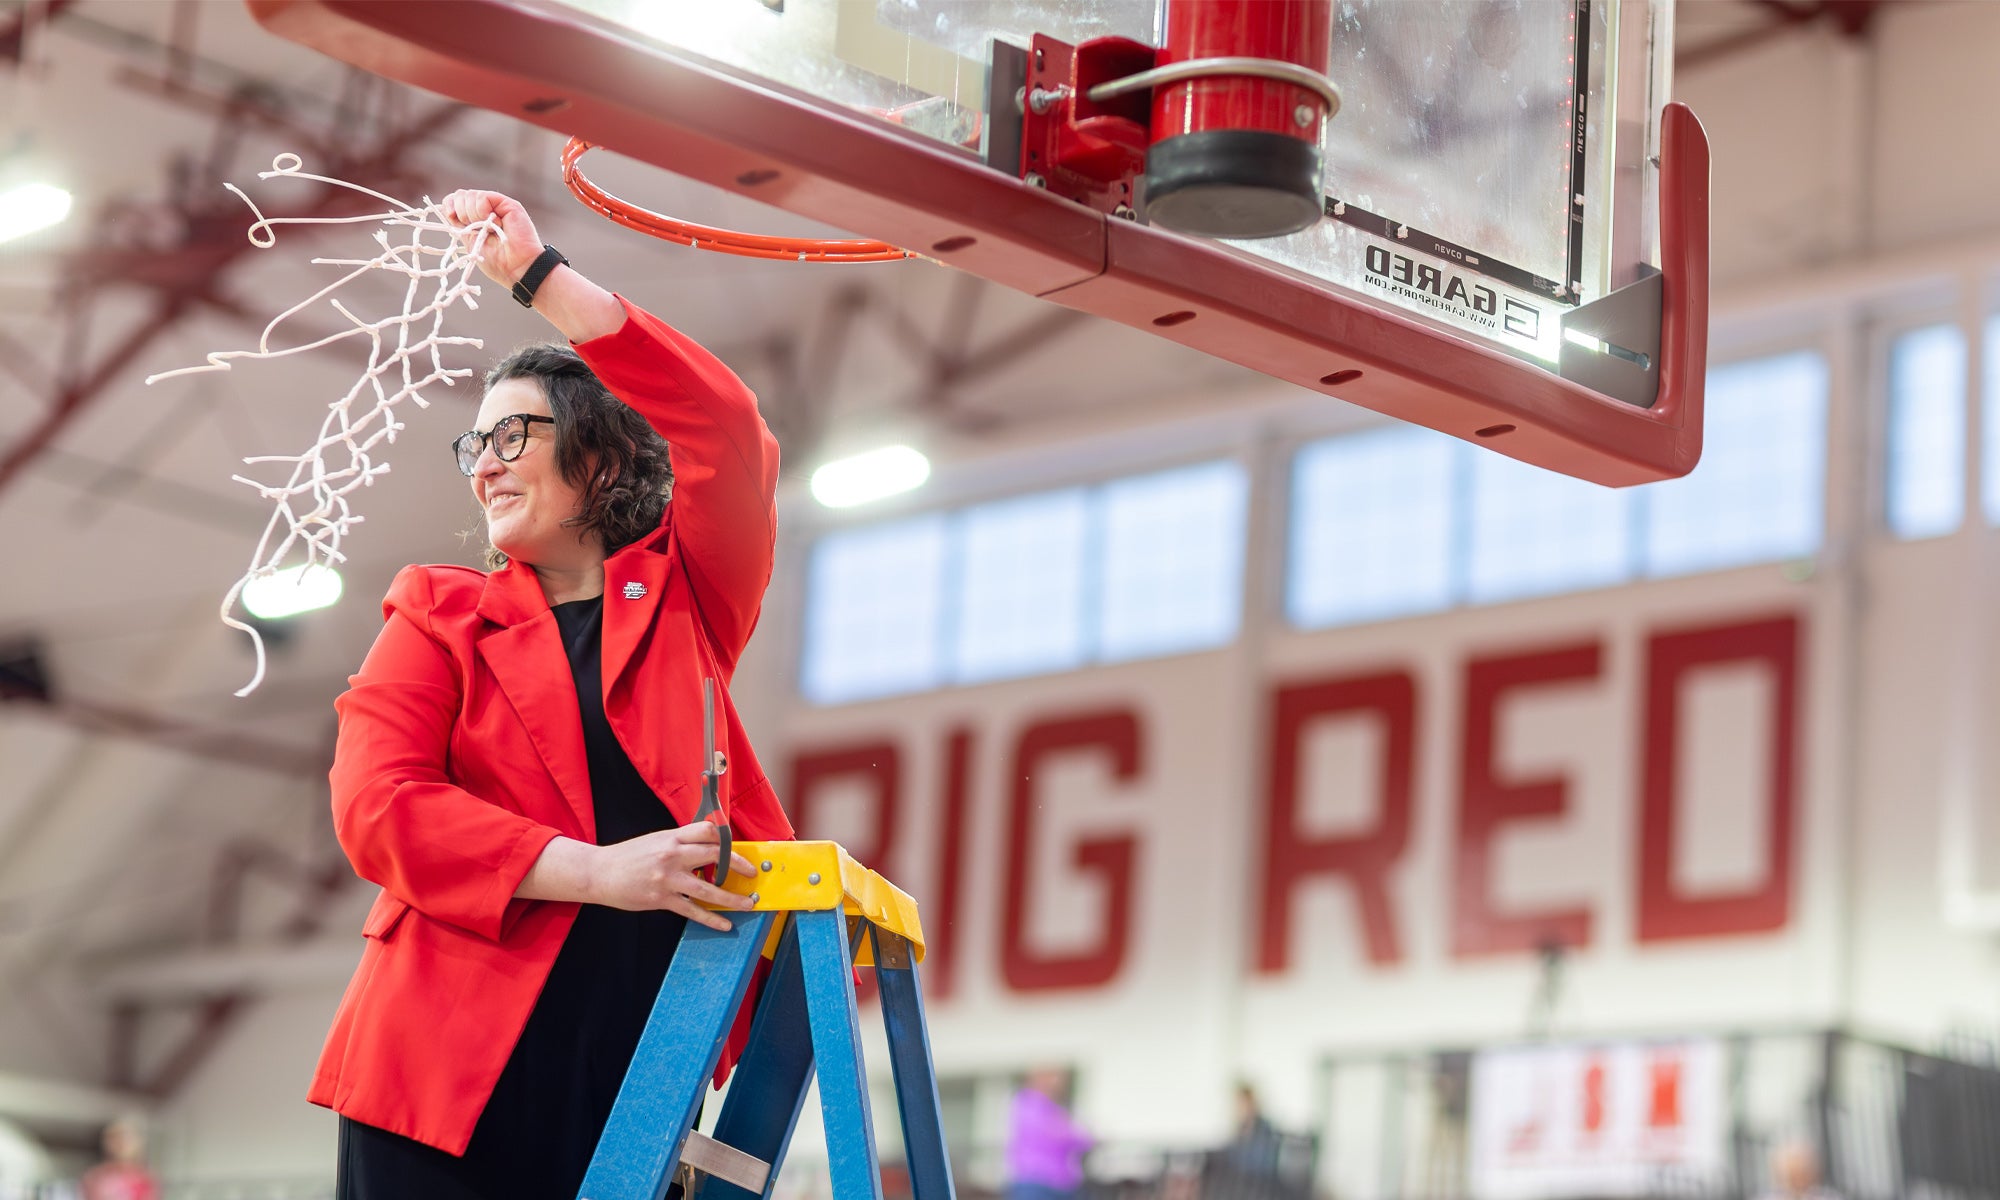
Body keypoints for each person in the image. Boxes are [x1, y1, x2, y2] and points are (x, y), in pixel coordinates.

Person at [308, 189, 795, 1199]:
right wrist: (596, 872)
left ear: (602, 458)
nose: (483, 468)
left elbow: (727, 432)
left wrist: (535, 278)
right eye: (472, 447)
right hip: (439, 1069)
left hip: (635, 1058)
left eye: (512, 437)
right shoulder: (434, 613)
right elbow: (377, 809)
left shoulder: (685, 596)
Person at [1006, 1067, 1094, 1200]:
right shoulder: (1027, 1103)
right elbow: (1056, 1134)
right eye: (1052, 1078)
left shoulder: (1057, 1108)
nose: (1056, 1084)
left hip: (1063, 1183)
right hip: (1035, 1181)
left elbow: (1085, 1139)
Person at [79, 1119, 158, 1200]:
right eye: (115, 1137)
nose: (121, 1142)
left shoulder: (146, 1179)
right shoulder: (94, 1177)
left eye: (127, 1137)